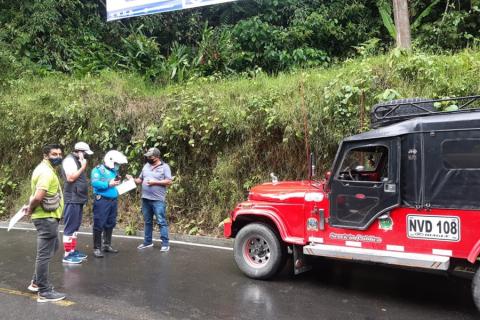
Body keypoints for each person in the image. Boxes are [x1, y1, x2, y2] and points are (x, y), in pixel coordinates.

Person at [24, 144, 66, 302]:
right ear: (45, 155)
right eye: (54, 154)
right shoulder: (46, 172)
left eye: (60, 154)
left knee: (53, 246)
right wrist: (30, 209)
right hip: (46, 218)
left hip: (49, 217)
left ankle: (36, 281)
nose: (58, 157)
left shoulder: (46, 170)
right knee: (43, 255)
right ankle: (44, 290)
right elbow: (39, 196)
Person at [60, 142, 93, 264]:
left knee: (75, 227)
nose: (86, 156)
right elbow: (70, 178)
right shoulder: (69, 161)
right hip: (72, 198)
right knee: (69, 227)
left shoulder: (77, 161)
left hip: (78, 198)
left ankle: (72, 251)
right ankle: (67, 255)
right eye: (85, 153)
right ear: (79, 152)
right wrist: (83, 167)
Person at [90, 150, 128, 258]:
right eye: (116, 164)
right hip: (102, 200)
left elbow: (116, 185)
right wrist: (108, 184)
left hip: (113, 200)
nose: (118, 166)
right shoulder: (98, 170)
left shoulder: (114, 172)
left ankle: (106, 245)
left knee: (110, 223)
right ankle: (97, 248)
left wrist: (124, 182)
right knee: (99, 224)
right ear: (110, 160)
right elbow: (94, 183)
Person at [134, 148, 173, 252]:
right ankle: (147, 242)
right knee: (147, 221)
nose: (148, 158)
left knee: (161, 221)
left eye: (150, 157)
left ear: (157, 157)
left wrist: (155, 182)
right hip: (145, 198)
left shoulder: (165, 167)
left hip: (158, 200)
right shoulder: (146, 166)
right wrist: (132, 180)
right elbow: (140, 179)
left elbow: (169, 182)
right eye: (147, 156)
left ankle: (165, 243)